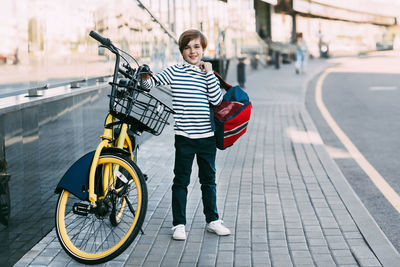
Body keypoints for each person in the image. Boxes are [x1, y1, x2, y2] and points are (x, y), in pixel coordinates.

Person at [140, 29, 231, 241]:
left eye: (197, 47)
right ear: (181, 51)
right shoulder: (174, 71)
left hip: (207, 137)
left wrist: (209, 73)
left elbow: (217, 101)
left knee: (208, 180)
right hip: (184, 137)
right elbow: (150, 84)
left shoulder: (208, 74)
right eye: (188, 47)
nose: (192, 51)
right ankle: (179, 224)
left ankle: (213, 221)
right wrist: (144, 75)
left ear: (203, 49)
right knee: (181, 181)